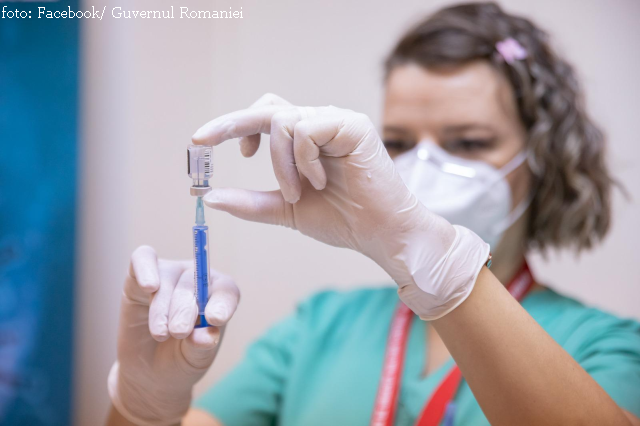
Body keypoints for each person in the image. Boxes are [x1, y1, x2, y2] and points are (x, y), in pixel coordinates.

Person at [106, 3, 640, 426]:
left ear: (543, 157)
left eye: (470, 142)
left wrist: (440, 264)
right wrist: (143, 409)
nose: (424, 165)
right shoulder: (318, 329)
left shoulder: (603, 345)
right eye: (399, 142)